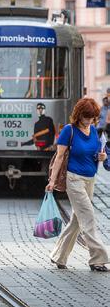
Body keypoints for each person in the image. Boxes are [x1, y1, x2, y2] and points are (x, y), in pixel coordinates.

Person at [47, 97, 108, 272]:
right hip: (74, 179)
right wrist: (52, 181)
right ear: (78, 115)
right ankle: (98, 258)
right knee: (88, 215)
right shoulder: (69, 130)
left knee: (77, 220)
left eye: (92, 117)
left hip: (90, 179)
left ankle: (59, 256)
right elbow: (59, 157)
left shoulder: (94, 131)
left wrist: (101, 157)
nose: (89, 120)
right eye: (86, 117)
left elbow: (95, 153)